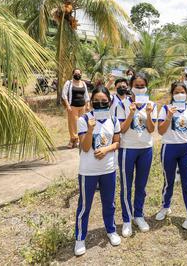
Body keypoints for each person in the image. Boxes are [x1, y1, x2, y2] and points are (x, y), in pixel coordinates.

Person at [74, 85, 121, 256]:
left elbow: (117, 143)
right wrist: (91, 128)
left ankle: (111, 230)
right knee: (85, 206)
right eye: (96, 102)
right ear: (91, 102)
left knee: (109, 203)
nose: (100, 104)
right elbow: (85, 148)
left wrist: (107, 149)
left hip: (108, 169)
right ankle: (80, 238)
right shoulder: (83, 120)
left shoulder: (114, 120)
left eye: (104, 101)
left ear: (109, 102)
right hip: (88, 171)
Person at [117, 73, 157, 237]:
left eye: (142, 86)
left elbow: (151, 129)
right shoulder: (122, 104)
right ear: (130, 87)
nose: (139, 88)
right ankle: (127, 220)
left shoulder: (151, 104)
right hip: (128, 148)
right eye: (137, 86)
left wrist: (148, 114)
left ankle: (138, 215)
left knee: (141, 185)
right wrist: (131, 113)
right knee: (126, 185)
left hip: (146, 148)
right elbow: (122, 129)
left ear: (146, 87)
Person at [155, 82, 187, 230]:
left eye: (182, 92)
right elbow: (160, 131)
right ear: (172, 94)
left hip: (186, 148)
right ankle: (165, 207)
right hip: (169, 148)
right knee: (169, 180)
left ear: (186, 94)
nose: (179, 94)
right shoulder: (166, 109)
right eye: (176, 92)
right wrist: (168, 117)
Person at [62, 69, 90, 148]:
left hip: (82, 106)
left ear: (81, 74)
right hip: (73, 106)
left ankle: (77, 140)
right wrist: (67, 105)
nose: (77, 75)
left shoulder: (83, 83)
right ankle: (72, 139)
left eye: (79, 73)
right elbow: (64, 95)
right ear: (73, 74)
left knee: (81, 123)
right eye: (76, 73)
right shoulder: (69, 83)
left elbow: (86, 95)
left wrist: (87, 104)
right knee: (73, 124)